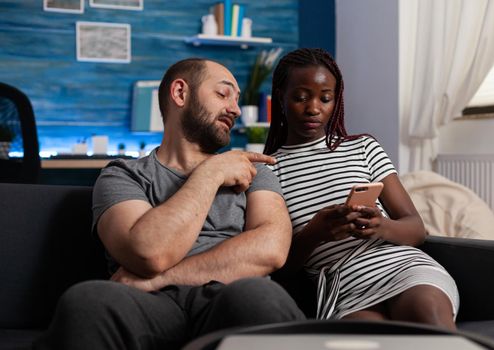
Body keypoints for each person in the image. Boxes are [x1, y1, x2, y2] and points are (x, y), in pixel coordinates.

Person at [34, 58, 305, 350]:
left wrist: (160, 278)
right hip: (150, 307)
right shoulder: (123, 174)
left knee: (257, 295)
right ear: (180, 93)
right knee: (87, 300)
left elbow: (272, 249)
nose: (235, 109)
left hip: (229, 297)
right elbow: (150, 252)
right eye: (223, 94)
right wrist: (211, 173)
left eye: (237, 100)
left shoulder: (254, 172)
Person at [264, 48, 459, 330]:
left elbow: (416, 228)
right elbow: (279, 267)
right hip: (343, 288)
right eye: (301, 97)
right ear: (281, 97)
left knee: (427, 312)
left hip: (402, 267)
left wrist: (381, 227)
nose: (314, 108)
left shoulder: (364, 148)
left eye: (325, 98)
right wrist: (315, 234)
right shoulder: (269, 169)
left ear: (336, 101)